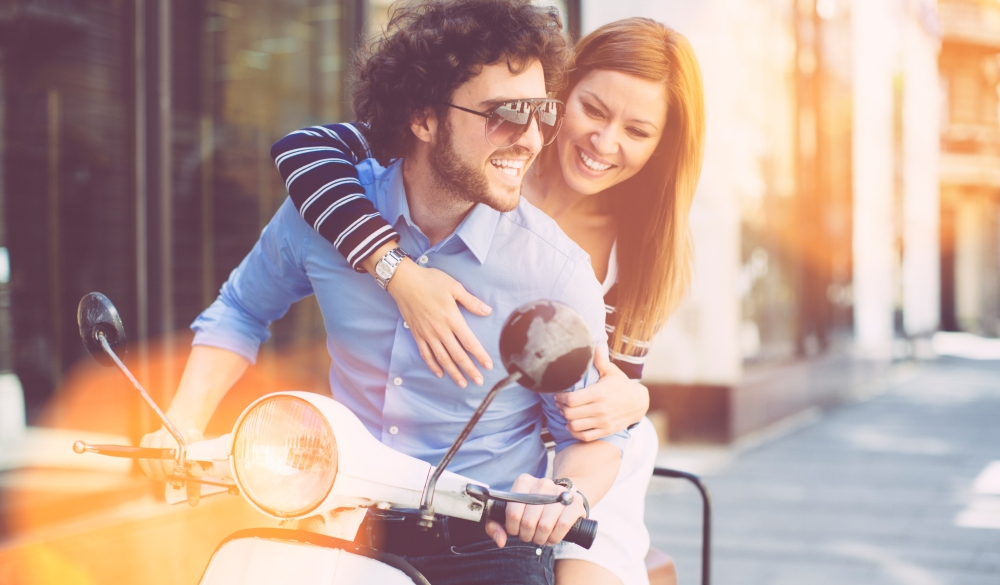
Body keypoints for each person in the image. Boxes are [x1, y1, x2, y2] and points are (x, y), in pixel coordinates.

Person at [141, 1, 628, 584]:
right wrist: (182, 423)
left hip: (484, 543)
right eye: (506, 113)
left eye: (541, 112)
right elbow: (242, 310)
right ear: (423, 118)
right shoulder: (323, 219)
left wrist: (562, 495)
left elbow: (592, 437)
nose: (530, 138)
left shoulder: (554, 272)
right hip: (334, 523)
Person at [270, 17, 705, 585]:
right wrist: (395, 270)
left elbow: (594, 410)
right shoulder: (484, 157)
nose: (605, 143)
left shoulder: (645, 251)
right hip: (474, 447)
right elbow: (304, 152)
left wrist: (631, 398)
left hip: (574, 452)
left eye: (638, 131)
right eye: (593, 111)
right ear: (558, 94)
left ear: (662, 144)